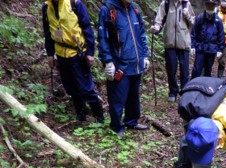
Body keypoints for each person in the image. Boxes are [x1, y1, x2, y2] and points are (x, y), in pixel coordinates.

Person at [42, 0, 104, 123]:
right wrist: (50, 54)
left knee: (84, 86)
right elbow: (48, 32)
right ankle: (80, 115)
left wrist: (90, 53)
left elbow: (87, 27)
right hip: (61, 54)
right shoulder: (46, 7)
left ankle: (99, 117)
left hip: (77, 53)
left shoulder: (74, 4)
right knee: (70, 87)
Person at [97, 0, 150, 137]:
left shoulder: (135, 9)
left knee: (133, 95)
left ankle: (131, 121)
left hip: (136, 62)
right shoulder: (108, 10)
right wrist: (107, 60)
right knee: (117, 97)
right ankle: (116, 126)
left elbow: (141, 34)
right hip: (119, 64)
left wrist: (145, 55)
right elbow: (103, 38)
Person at [149, 0, 195, 103]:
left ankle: (184, 92)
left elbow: (193, 22)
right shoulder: (165, 3)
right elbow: (159, 20)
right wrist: (156, 28)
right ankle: (173, 92)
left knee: (184, 69)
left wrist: (187, 15)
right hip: (169, 41)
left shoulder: (186, 3)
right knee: (171, 68)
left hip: (183, 42)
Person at [190, 0, 225, 78]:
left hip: (211, 49)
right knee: (197, 70)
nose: (210, 7)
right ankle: (193, 86)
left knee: (208, 70)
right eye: (208, 5)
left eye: (212, 5)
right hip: (200, 48)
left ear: (214, 6)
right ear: (206, 5)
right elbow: (194, 33)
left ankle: (206, 88)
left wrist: (220, 49)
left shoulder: (218, 20)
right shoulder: (200, 18)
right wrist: (192, 46)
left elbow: (221, 36)